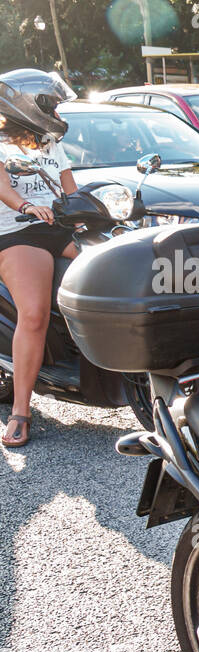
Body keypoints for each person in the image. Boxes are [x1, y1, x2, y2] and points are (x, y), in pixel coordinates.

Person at [0, 69, 78, 449]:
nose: (58, 111)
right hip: (18, 232)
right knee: (33, 314)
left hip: (57, 228)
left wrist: (90, 212)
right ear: (28, 105)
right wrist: (26, 205)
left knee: (112, 274)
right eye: (52, 105)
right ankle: (20, 411)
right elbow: (1, 185)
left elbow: (70, 191)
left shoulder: (51, 145)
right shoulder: (0, 143)